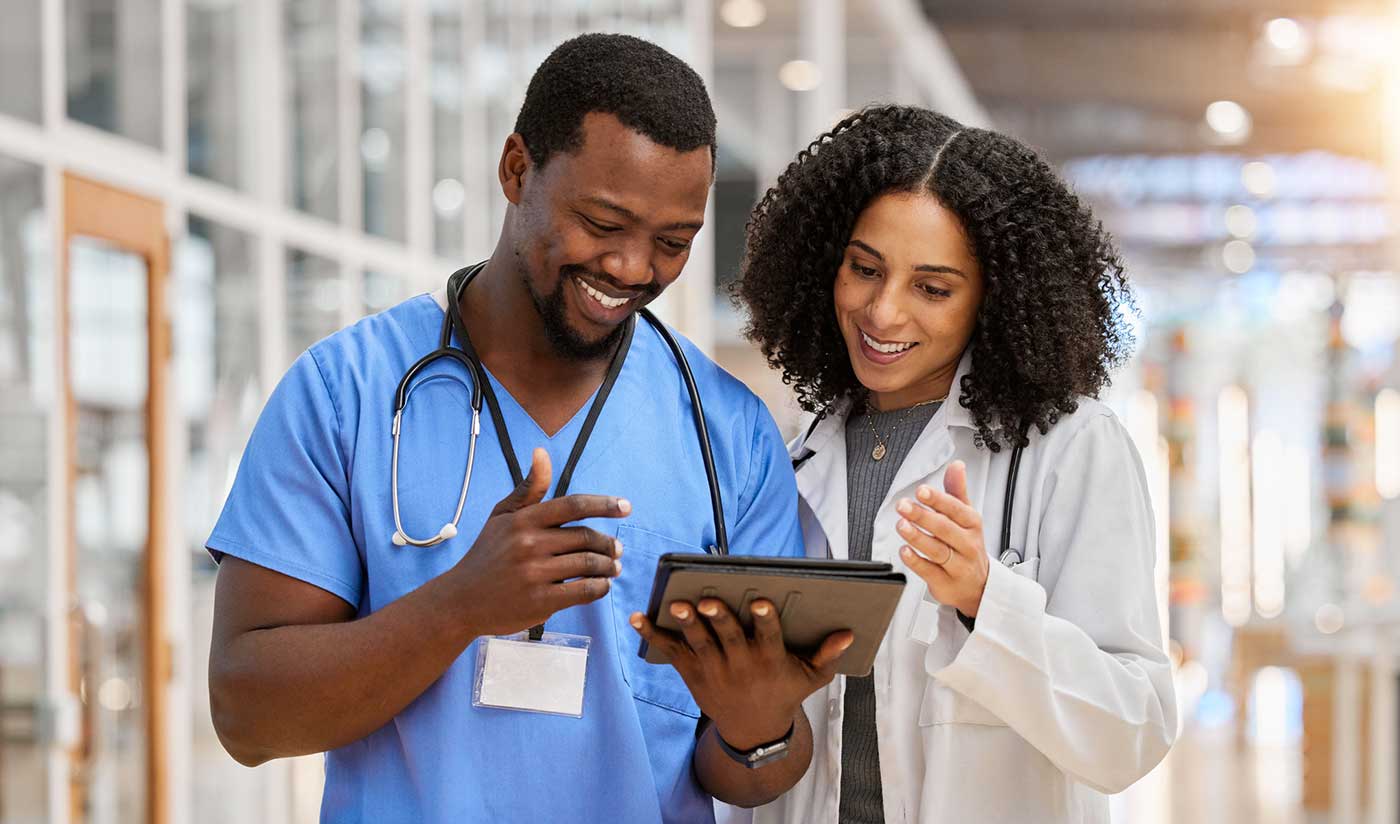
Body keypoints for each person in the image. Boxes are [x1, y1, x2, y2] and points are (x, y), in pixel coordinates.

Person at [206, 34, 850, 823]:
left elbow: (750, 771)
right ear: (517, 170)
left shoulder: (730, 434)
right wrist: (458, 608)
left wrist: (759, 726)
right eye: (603, 222)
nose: (632, 268)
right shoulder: (346, 395)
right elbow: (246, 715)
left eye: (673, 242)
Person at [730, 105, 1178, 824]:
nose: (882, 312)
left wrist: (983, 601)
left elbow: (1132, 731)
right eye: (864, 269)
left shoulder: (1071, 447)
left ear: (991, 300)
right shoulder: (797, 453)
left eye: (932, 288)